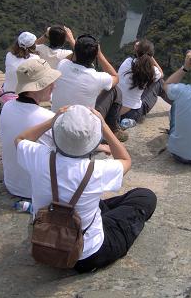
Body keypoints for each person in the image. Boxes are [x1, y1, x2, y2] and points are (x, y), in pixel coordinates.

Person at [15, 104, 157, 272]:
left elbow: (20, 139)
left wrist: (51, 121)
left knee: (97, 204)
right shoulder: (97, 170)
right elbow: (126, 160)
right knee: (145, 197)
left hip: (46, 242)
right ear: (93, 140)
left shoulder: (39, 156)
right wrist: (104, 126)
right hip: (88, 255)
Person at [0, 58, 61, 198]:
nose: (54, 86)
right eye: (48, 83)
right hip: (38, 191)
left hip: (12, 184)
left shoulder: (7, 107)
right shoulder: (47, 117)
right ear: (35, 88)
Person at [51, 34, 127, 141]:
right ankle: (112, 129)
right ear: (95, 55)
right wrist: (99, 54)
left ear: (75, 52)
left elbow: (69, 59)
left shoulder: (62, 65)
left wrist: (77, 47)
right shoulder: (96, 77)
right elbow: (115, 77)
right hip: (81, 127)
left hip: (57, 121)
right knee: (115, 90)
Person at [118, 39, 168, 123]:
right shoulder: (152, 71)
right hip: (133, 113)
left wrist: (137, 49)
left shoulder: (127, 62)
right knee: (159, 82)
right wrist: (151, 57)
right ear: (150, 55)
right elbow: (161, 74)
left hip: (117, 110)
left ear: (136, 51)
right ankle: (178, 103)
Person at [0, 31, 40, 103]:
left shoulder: (9, 55)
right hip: (21, 98)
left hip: (5, 96)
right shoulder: (35, 59)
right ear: (33, 46)